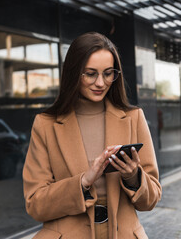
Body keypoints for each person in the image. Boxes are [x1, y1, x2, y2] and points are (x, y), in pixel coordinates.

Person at [23, 32, 161, 239]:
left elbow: (151, 200)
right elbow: (35, 204)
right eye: (90, 73)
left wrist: (133, 177)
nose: (100, 83)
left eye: (108, 73)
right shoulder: (45, 124)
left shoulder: (134, 118)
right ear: (73, 73)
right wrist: (82, 182)